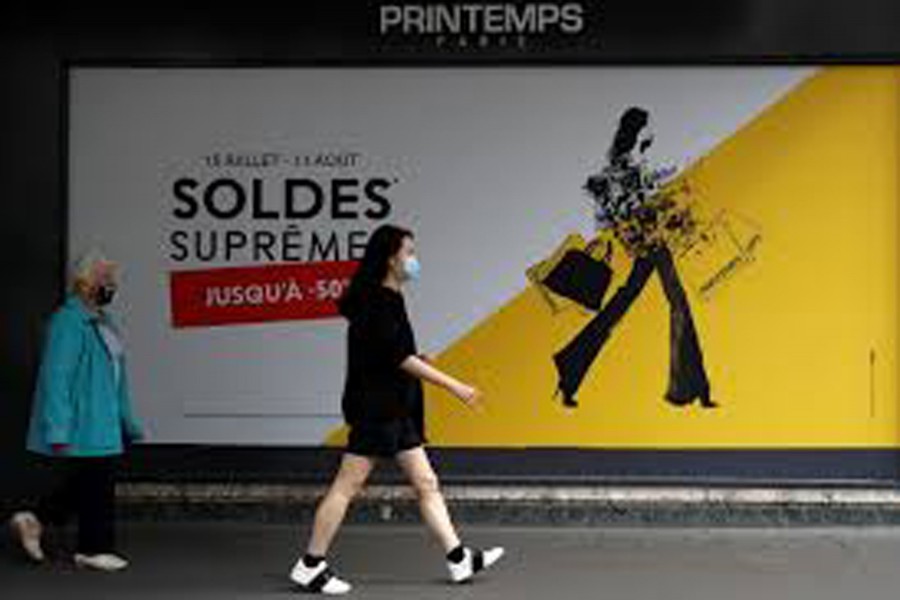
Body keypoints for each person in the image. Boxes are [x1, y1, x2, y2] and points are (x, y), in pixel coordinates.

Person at [289, 224, 504, 595]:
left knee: (426, 483)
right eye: (409, 253)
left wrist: (418, 359)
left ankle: (458, 558)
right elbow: (396, 357)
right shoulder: (379, 301)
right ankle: (311, 564)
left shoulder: (387, 298)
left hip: (396, 408)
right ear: (391, 259)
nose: (414, 260)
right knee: (346, 486)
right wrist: (454, 385)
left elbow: (388, 354)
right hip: (377, 409)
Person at [553, 106, 714, 409]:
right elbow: (615, 212)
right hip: (649, 242)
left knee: (624, 303)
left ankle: (569, 369)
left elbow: (644, 187)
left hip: (646, 241)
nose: (650, 135)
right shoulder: (623, 169)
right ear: (635, 131)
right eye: (646, 130)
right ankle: (692, 388)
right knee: (677, 303)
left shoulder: (626, 164)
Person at [9, 250, 144, 571]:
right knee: (96, 482)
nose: (111, 284)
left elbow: (116, 378)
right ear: (83, 283)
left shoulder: (104, 322)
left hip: (104, 421)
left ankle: (34, 520)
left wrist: (128, 421)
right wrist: (57, 428)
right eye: (105, 279)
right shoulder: (67, 323)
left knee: (88, 481)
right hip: (84, 422)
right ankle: (93, 549)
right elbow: (56, 378)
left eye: (112, 279)